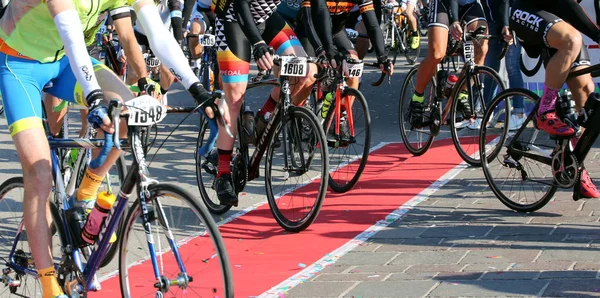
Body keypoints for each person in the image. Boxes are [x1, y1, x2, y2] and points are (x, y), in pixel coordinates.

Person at [0, 0, 220, 296]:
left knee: (125, 112)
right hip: (19, 65)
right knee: (39, 174)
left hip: (65, 60)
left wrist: (198, 89)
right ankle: (50, 284)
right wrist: (93, 98)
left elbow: (159, 35)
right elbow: (71, 35)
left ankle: (86, 192)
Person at [211, 0, 321, 206]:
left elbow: (317, 9)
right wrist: (258, 43)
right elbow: (242, 7)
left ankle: (265, 117)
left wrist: (324, 49)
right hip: (233, 19)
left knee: (307, 71)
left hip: (266, 18)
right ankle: (223, 172)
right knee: (234, 98)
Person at [509, 0, 600, 198]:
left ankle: (574, 164)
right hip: (527, 9)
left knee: (586, 92)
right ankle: (545, 110)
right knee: (571, 40)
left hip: (558, 17)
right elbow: (568, 4)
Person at [407, 0, 492, 127]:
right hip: (442, 4)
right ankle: (417, 99)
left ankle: (462, 93)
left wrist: (505, 26)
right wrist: (454, 21)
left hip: (468, 4)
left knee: (482, 48)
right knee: (437, 54)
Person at [481, 0, 525, 131]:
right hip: (493, 22)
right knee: (490, 69)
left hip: (512, 19)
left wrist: (506, 24)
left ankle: (519, 113)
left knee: (512, 67)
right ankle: (486, 112)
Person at [127, 0, 186, 95]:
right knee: (134, 73)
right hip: (140, 36)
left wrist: (178, 46)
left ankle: (162, 94)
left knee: (169, 72)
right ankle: (130, 101)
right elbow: (130, 18)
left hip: (163, 37)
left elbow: (176, 23)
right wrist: (124, 48)